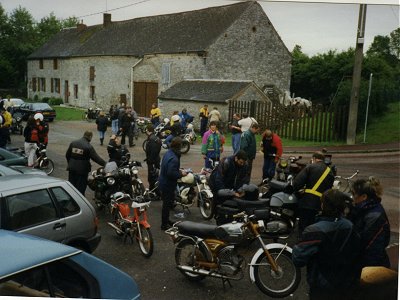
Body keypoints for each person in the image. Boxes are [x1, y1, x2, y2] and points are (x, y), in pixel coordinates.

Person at [292, 189, 361, 300]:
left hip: (322, 284)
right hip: (346, 281)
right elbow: (357, 250)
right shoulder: (349, 226)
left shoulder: (314, 230)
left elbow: (298, 259)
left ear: (323, 205)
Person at [349, 177, 391, 268]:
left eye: (354, 194)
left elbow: (371, 246)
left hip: (373, 267)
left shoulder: (374, 217)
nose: (352, 197)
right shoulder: (363, 209)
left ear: (364, 197)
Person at [291, 151, 335, 234]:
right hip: (321, 204)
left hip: (307, 203)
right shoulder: (330, 171)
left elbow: (297, 183)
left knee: (304, 227)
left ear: (314, 159)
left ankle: (303, 243)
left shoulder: (310, 167)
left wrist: (298, 193)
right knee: (315, 228)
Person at [158, 137, 187, 230]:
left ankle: (166, 221)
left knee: (167, 204)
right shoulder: (174, 158)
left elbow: (168, 168)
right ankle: (164, 224)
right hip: (168, 184)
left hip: (163, 181)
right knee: (166, 205)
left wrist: (177, 170)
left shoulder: (168, 153)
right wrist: (181, 173)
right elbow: (171, 173)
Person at [66, 131, 106, 196]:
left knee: (71, 187)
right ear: (90, 137)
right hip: (82, 171)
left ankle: (71, 201)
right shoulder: (88, 146)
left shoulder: (73, 143)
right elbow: (96, 158)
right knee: (80, 189)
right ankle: (80, 203)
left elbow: (67, 155)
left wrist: (70, 163)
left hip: (72, 169)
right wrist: (105, 164)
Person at [144, 124, 162, 193]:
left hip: (153, 162)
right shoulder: (155, 138)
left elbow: (153, 152)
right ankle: (153, 190)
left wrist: (150, 161)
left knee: (152, 178)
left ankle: (155, 192)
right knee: (153, 177)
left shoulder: (152, 140)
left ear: (148, 130)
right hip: (155, 160)